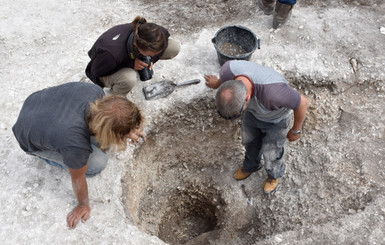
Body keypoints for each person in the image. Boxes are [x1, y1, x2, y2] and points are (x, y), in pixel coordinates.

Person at [12, 82, 146, 229]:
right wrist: (83, 205)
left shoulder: (93, 91)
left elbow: (116, 116)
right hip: (27, 136)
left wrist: (129, 127)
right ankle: (42, 153)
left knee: (100, 144)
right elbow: (77, 178)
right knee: (97, 163)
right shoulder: (74, 143)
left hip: (35, 104)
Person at [205, 60, 307, 194]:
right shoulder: (227, 70)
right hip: (252, 114)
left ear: (247, 98)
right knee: (250, 142)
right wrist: (217, 84)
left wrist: (296, 130)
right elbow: (225, 85)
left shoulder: (274, 94)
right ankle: (251, 166)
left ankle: (273, 175)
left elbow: (302, 103)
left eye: (238, 113)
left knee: (272, 152)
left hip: (276, 120)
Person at [85, 16, 181, 94]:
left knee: (173, 47)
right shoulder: (111, 55)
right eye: (151, 54)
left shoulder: (154, 31)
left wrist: (152, 59)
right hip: (101, 65)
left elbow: (164, 40)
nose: (155, 55)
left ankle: (139, 60)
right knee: (129, 78)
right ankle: (115, 97)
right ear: (138, 47)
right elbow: (94, 72)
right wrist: (130, 64)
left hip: (124, 54)